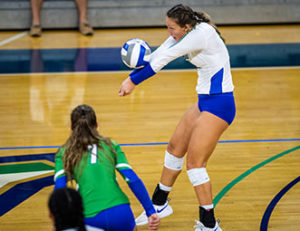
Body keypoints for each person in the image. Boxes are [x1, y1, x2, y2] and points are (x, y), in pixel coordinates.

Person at [119, 4, 236, 231]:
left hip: (220, 105)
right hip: (204, 101)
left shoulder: (200, 35)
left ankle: (209, 225)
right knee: (174, 148)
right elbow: (158, 55)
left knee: (195, 165)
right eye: (167, 27)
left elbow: (165, 59)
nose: (169, 32)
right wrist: (135, 69)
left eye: (171, 28)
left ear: (185, 27)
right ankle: (159, 204)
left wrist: (132, 82)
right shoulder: (185, 32)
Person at [53, 104, 160, 231]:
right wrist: (150, 211)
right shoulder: (111, 145)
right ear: (96, 125)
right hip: (120, 212)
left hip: (89, 216)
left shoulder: (64, 153)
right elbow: (132, 179)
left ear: (71, 128)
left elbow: (60, 190)